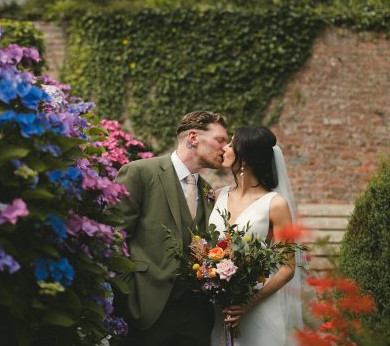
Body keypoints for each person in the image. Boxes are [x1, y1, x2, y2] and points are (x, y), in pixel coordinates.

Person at [112, 110, 228, 346]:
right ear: (193, 137)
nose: (225, 148)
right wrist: (128, 296)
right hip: (145, 308)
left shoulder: (207, 190)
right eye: (220, 140)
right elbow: (112, 237)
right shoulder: (140, 172)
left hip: (195, 315)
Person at [209, 126, 303, 346]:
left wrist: (249, 303)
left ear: (244, 159)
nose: (225, 148)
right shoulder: (216, 196)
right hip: (218, 309)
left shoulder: (275, 204)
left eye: (231, 144)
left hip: (258, 306)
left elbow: (287, 267)